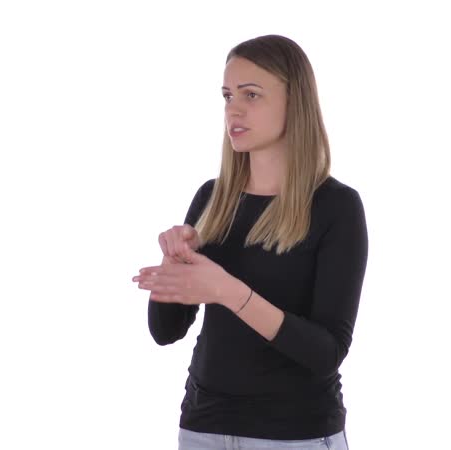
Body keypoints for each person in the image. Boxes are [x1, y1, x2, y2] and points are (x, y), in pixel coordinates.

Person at [131, 34, 368, 450]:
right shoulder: (212, 199)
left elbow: (326, 352)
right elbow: (165, 332)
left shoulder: (336, 207)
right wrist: (175, 261)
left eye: (251, 95)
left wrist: (227, 290)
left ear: (295, 102)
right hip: (203, 430)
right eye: (227, 96)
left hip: (294, 436)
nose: (233, 109)